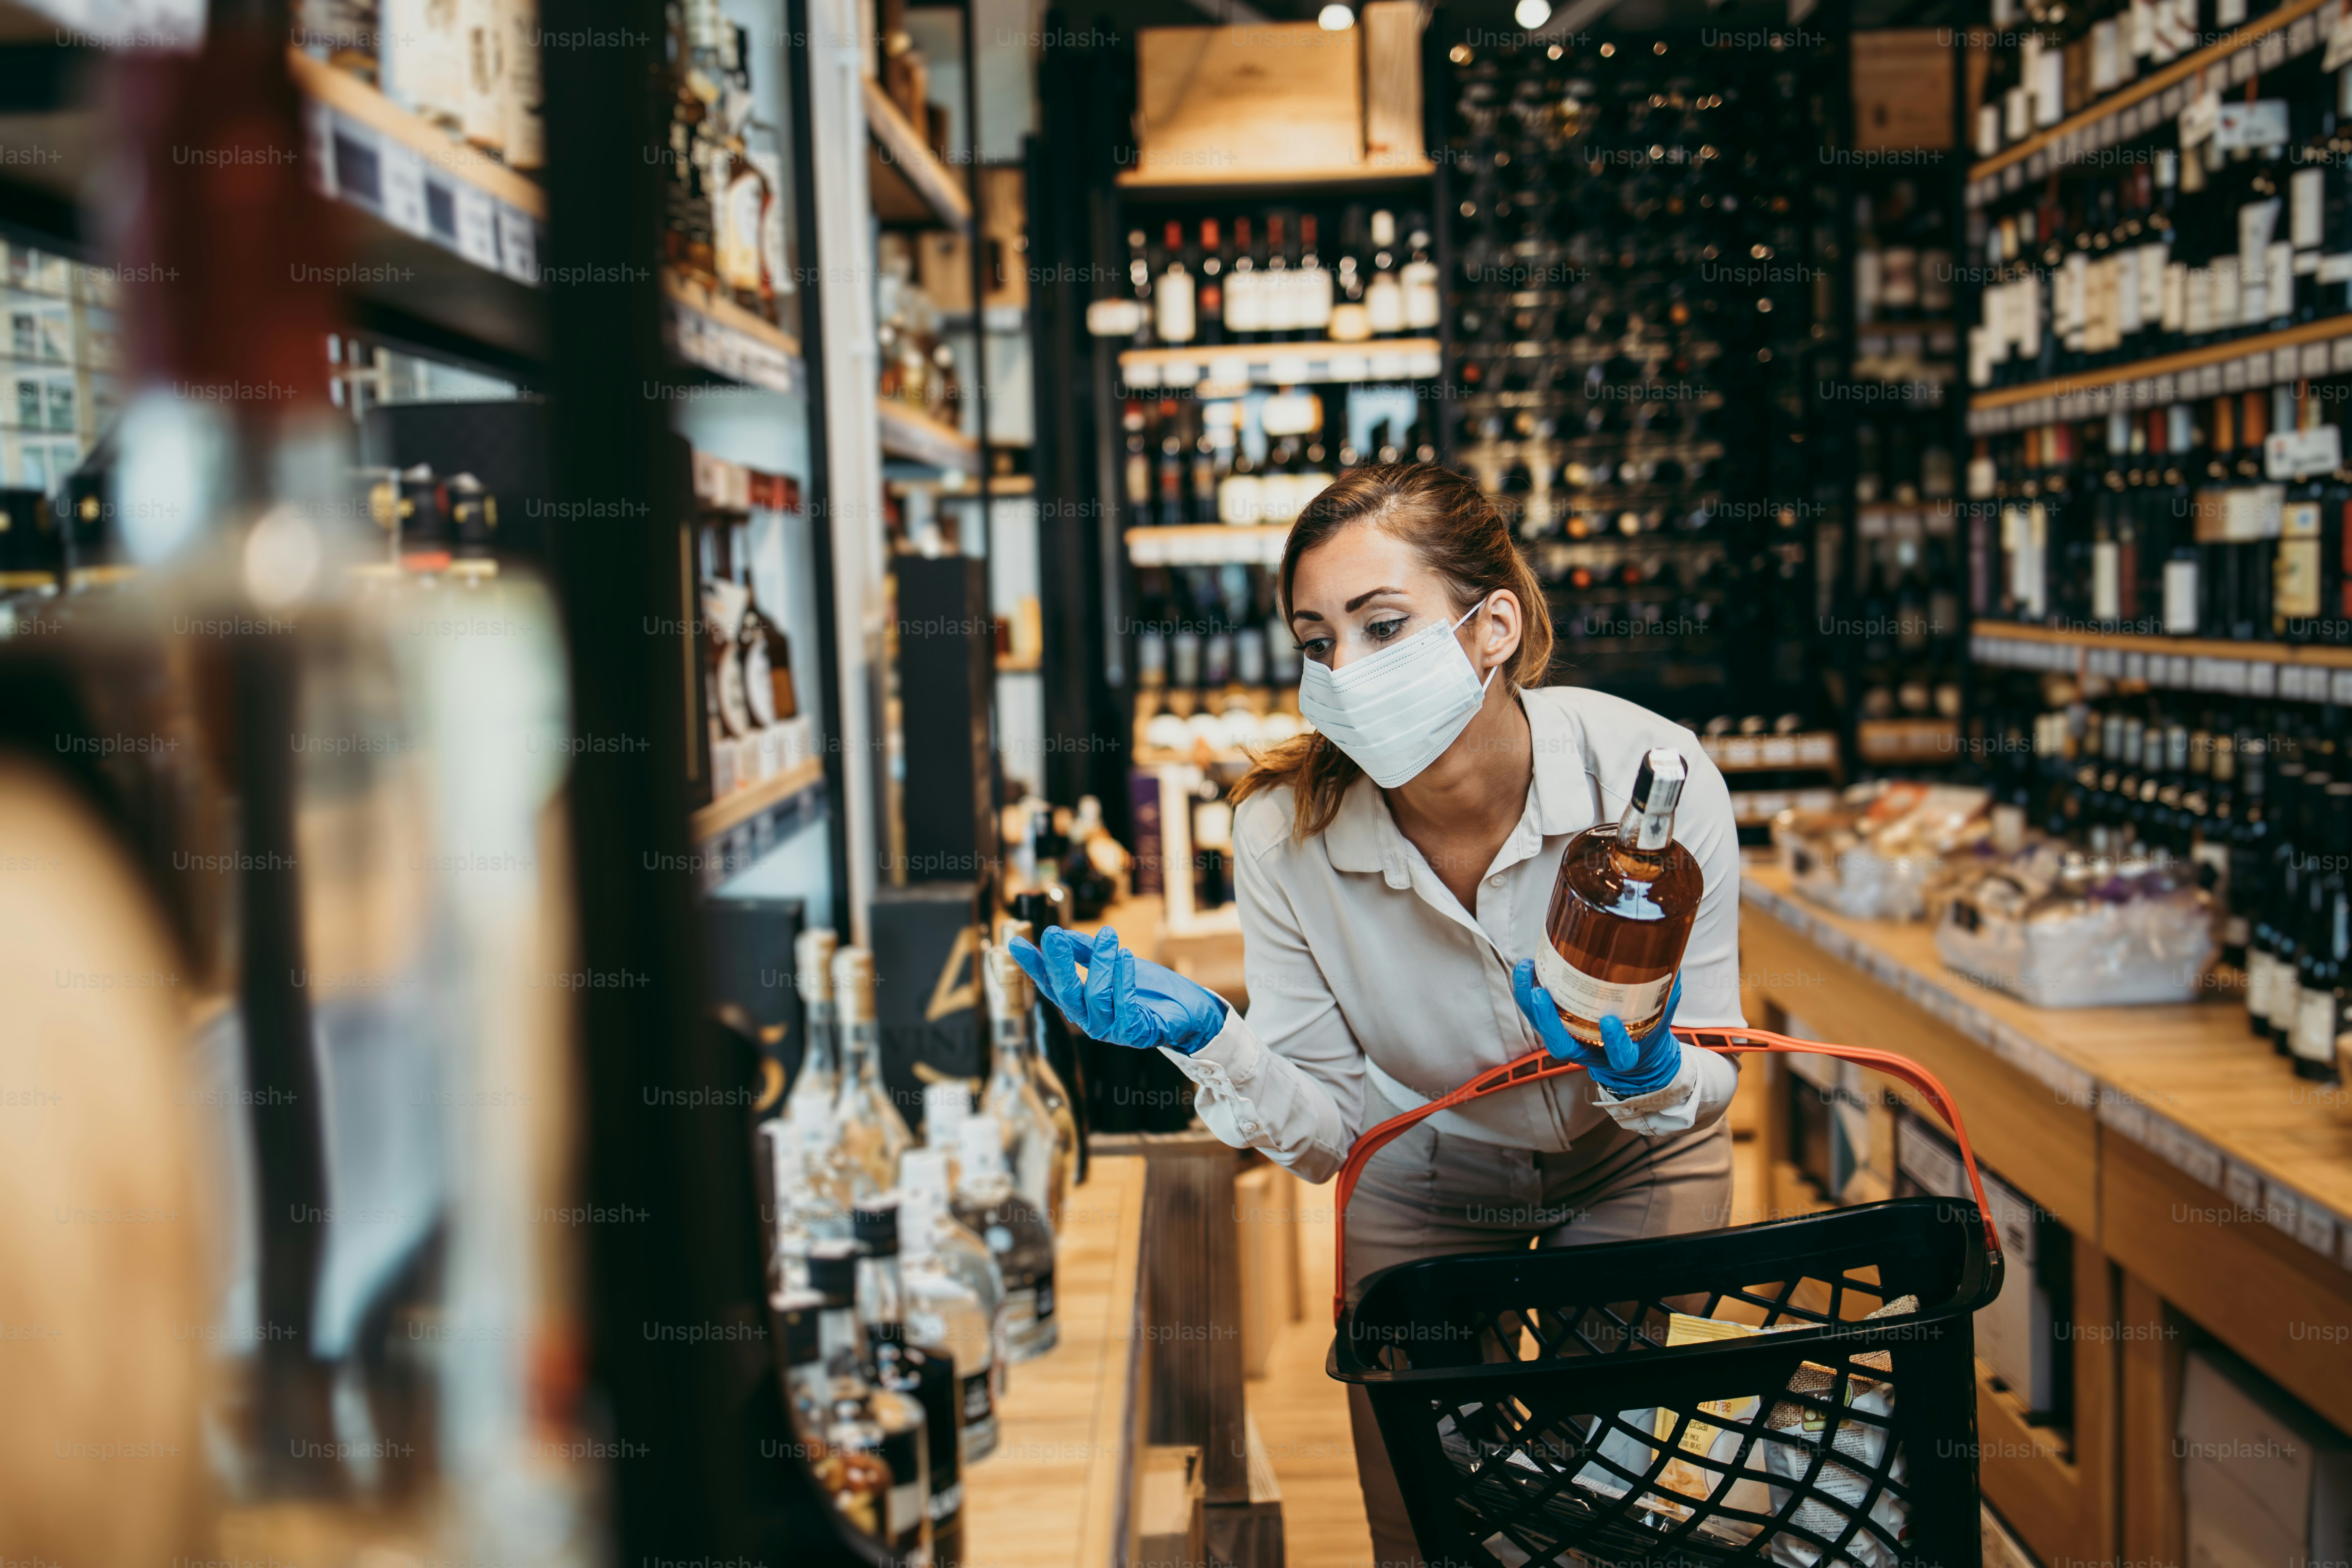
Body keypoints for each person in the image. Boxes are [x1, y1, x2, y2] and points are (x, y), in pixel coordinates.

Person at [1008, 463, 1743, 1568]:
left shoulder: (1652, 781)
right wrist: (1209, 1034)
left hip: (1635, 1158)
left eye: (1381, 625)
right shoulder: (1278, 835)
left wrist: (1650, 1075)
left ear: (1491, 626)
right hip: (1423, 1162)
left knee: (1620, 1502)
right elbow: (1329, 1132)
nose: (1343, 672)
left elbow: (1720, 1059)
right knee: (1431, 1523)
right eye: (1316, 641)